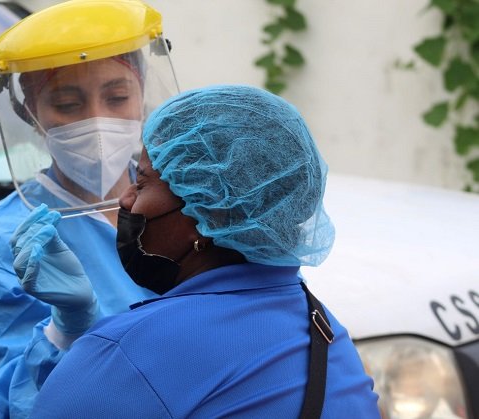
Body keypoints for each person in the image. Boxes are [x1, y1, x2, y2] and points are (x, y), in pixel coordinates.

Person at [21, 84, 381, 418]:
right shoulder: (326, 332)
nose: (126, 198)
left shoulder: (129, 353)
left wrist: (65, 332)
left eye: (143, 181)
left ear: (208, 212)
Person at [0, 0, 179, 417]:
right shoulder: (6, 243)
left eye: (117, 96)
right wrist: (62, 332)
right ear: (29, 112)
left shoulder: (183, 203)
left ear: (142, 95)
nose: (97, 121)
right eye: (68, 104)